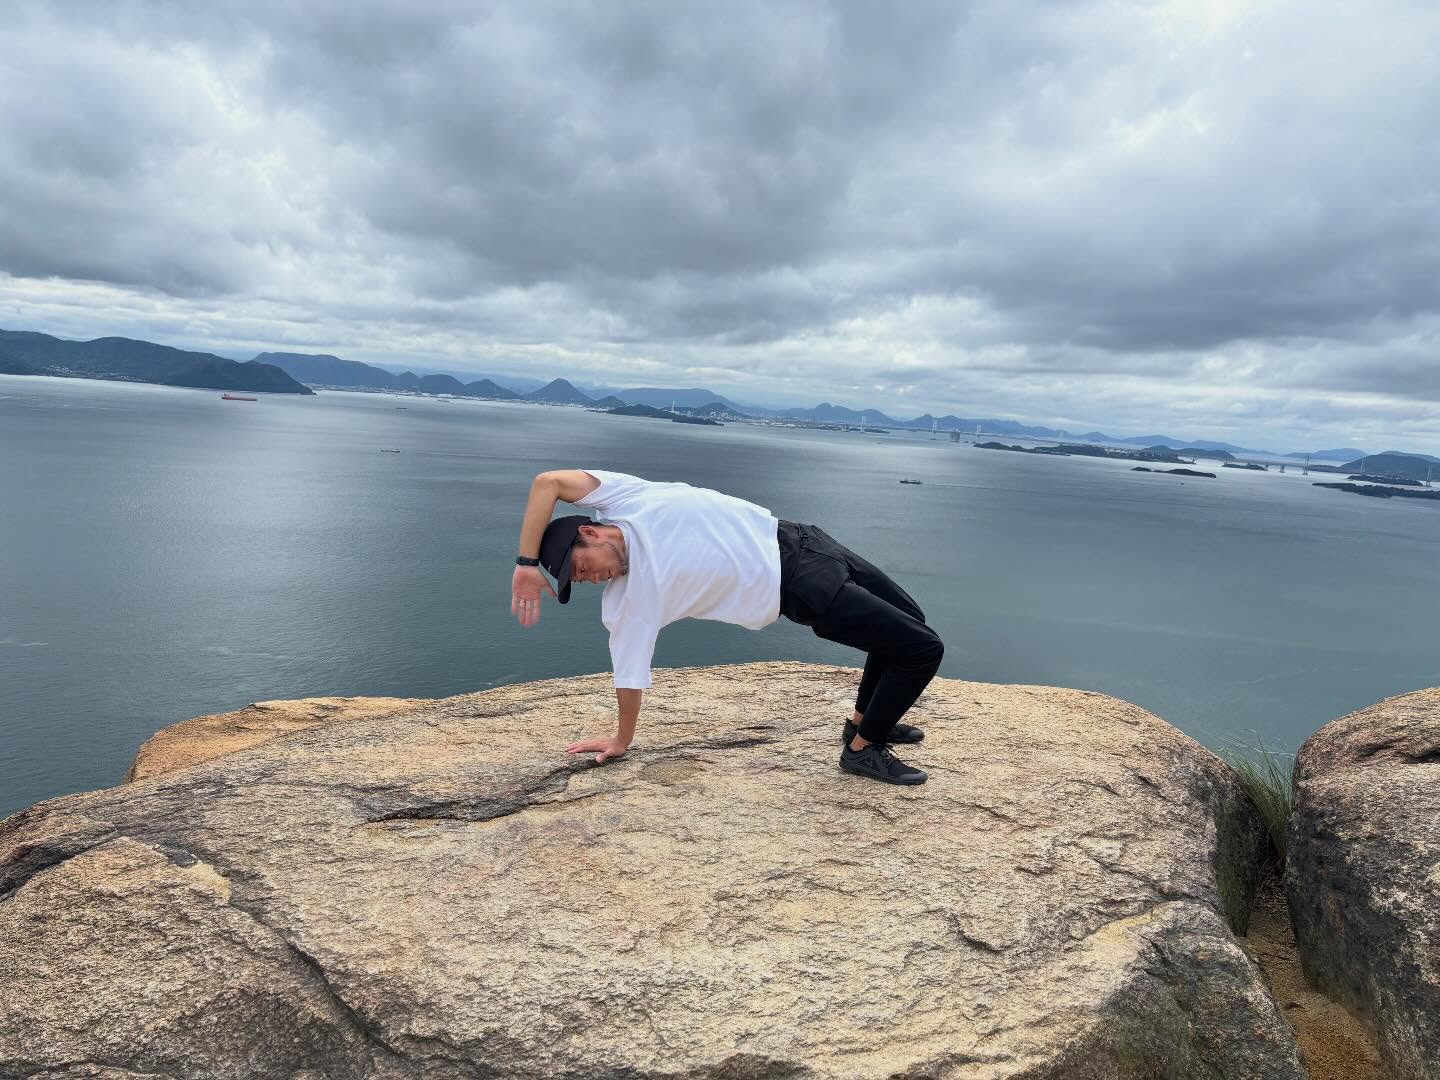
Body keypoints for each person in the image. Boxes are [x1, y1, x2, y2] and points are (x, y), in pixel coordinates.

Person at [511, 469, 944, 786]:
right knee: (921, 649)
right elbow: (629, 673)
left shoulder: (626, 500)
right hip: (795, 585)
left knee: (910, 623)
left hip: (804, 539)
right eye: (580, 581)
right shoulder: (629, 600)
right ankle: (863, 751)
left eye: (582, 568)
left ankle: (865, 723)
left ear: (592, 531)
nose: (590, 580)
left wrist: (526, 564)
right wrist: (622, 739)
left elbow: (548, 483)